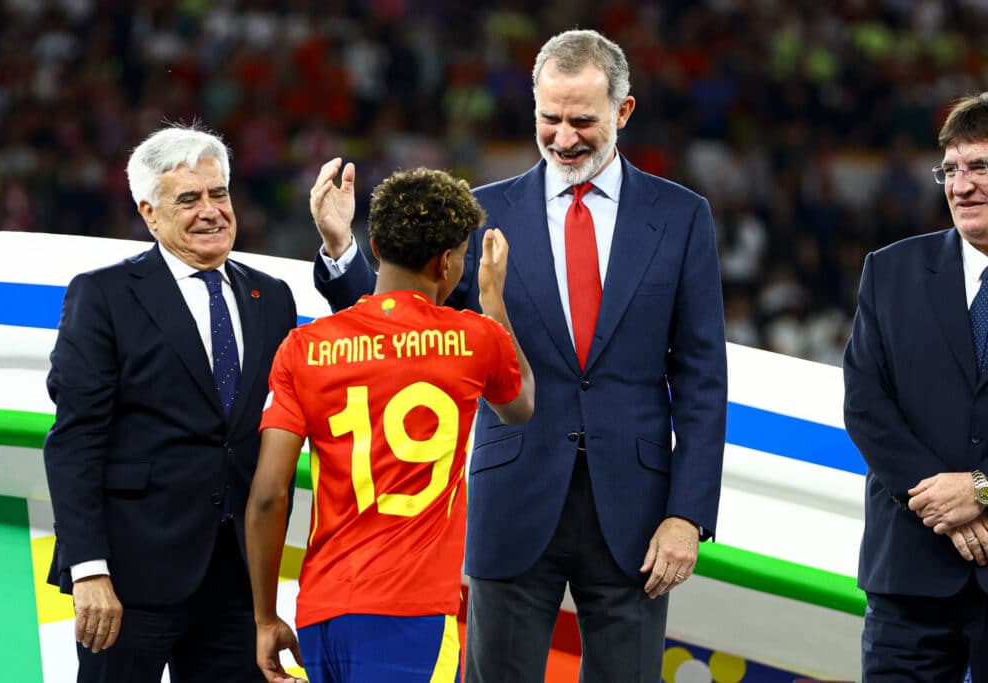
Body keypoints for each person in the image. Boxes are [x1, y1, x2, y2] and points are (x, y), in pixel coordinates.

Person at [309, 28, 727, 682]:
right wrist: (342, 251)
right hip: (513, 498)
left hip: (638, 514)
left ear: (624, 112)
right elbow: (406, 333)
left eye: (582, 120)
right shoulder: (480, 212)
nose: (563, 138)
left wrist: (687, 514)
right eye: (548, 119)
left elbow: (703, 379)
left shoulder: (681, 216)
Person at [245, 167, 535, 683]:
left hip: (322, 612)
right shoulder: (475, 340)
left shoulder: (305, 348)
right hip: (414, 617)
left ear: (374, 245)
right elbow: (521, 405)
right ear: (446, 263)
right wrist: (492, 301)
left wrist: (265, 618)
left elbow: (269, 494)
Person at [43, 124, 298, 682]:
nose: (211, 211)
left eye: (219, 193)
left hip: (240, 580)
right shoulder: (104, 294)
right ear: (148, 213)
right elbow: (75, 438)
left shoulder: (272, 297)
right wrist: (89, 570)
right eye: (188, 199)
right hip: (130, 580)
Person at [843, 93, 988, 681]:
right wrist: (946, 506)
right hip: (909, 573)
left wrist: (981, 489)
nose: (961, 185)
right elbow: (866, 405)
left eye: (980, 167)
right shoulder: (890, 270)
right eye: (950, 170)